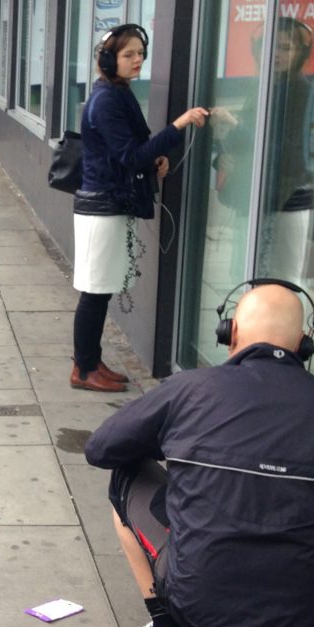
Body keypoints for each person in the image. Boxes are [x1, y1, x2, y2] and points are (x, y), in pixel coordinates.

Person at [84, 282, 314, 627]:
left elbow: (101, 449)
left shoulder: (190, 390)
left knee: (124, 477)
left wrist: (179, 446)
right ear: (304, 344)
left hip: (196, 600)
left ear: (229, 332)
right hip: (309, 617)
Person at [71, 23, 208, 393]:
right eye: (128, 54)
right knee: (95, 290)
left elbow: (136, 150)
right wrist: (178, 126)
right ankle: (83, 369)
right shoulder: (107, 101)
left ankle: (90, 360)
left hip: (110, 203)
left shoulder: (118, 93)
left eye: (140, 54)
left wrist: (156, 158)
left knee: (101, 290)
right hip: (102, 208)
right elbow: (130, 156)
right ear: (108, 58)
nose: (137, 61)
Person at [212, 17, 314, 284]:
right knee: (249, 273)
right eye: (270, 47)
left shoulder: (302, 91)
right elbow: (247, 140)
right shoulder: (263, 86)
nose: (276, 55)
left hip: (287, 197)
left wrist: (235, 124)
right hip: (258, 193)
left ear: (300, 53)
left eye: (285, 48)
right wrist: (224, 154)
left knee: (284, 279)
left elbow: (290, 151)